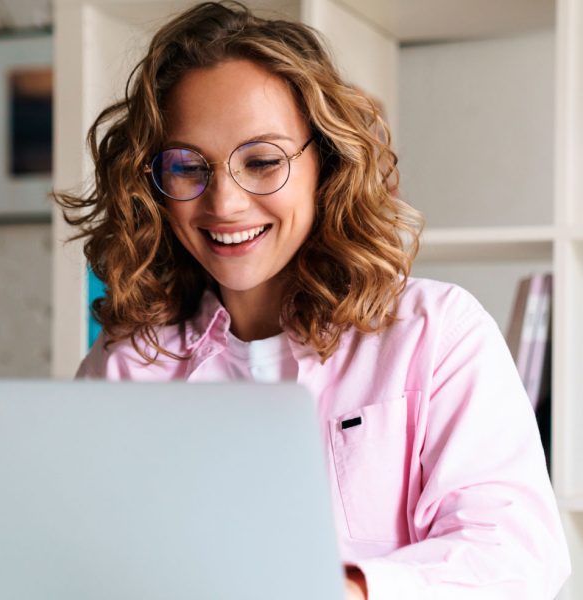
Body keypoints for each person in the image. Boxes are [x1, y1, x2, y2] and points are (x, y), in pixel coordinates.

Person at [57, 1, 571, 597]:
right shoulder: (126, 363)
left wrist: (343, 590)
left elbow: (517, 553)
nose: (223, 203)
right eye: (186, 166)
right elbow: (81, 559)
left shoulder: (436, 333)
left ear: (324, 164)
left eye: (263, 161)